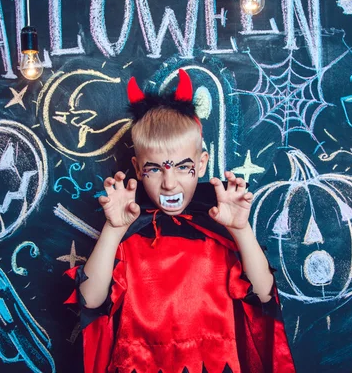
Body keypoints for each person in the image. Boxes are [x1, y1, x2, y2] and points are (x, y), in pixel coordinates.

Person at [64, 70, 295, 373]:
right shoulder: (130, 236)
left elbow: (264, 296)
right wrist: (114, 230)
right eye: (155, 169)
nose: (169, 183)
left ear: (201, 164)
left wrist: (241, 230)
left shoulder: (219, 229)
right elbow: (91, 302)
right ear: (137, 168)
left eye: (183, 167)